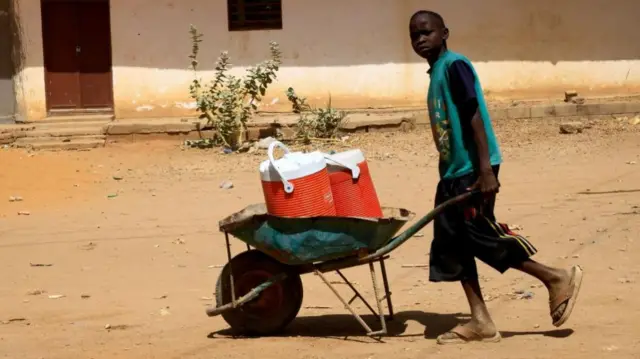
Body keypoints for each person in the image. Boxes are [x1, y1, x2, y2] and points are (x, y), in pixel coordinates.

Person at [409, 10, 584, 345]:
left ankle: (555, 277)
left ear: (445, 33)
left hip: (474, 171)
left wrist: (486, 169)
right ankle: (480, 321)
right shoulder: (437, 73)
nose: (420, 39)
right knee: (450, 243)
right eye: (414, 35)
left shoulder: (455, 66)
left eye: (426, 32)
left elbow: (473, 113)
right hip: (452, 172)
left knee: (479, 236)